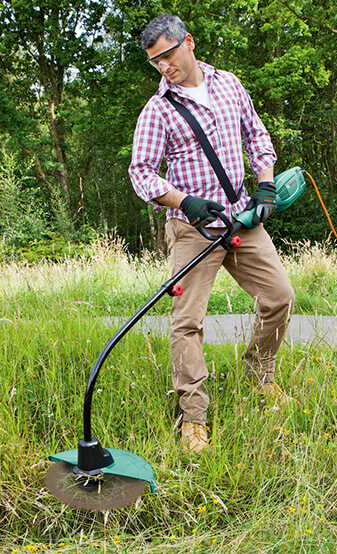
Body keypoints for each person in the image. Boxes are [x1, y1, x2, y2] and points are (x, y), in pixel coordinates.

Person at [128, 15, 295, 454]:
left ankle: (260, 378)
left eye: (168, 55)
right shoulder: (158, 110)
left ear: (189, 42)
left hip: (243, 218)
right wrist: (184, 202)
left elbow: (257, 136)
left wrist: (265, 184)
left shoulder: (230, 85)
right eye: (154, 62)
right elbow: (141, 173)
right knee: (187, 323)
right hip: (193, 228)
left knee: (279, 297)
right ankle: (194, 418)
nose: (163, 66)